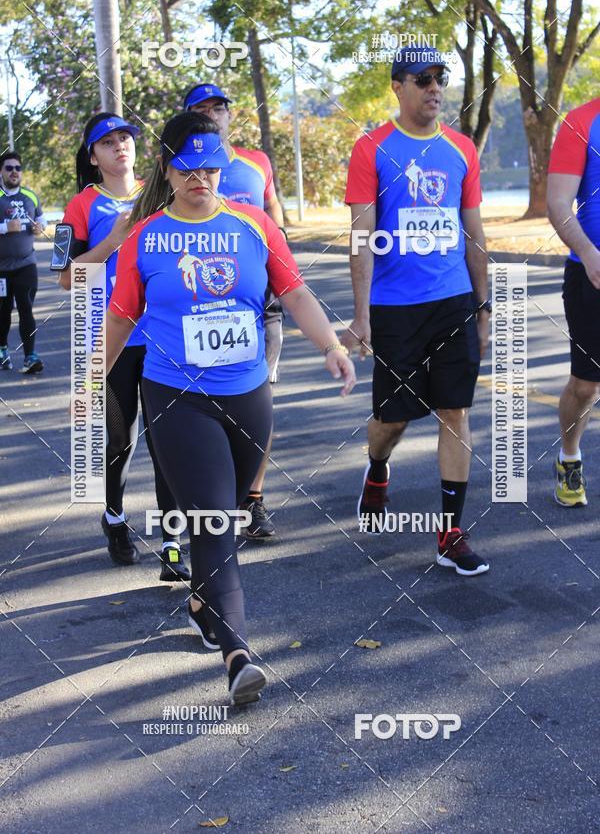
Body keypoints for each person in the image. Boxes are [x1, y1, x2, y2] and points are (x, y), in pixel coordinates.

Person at [106, 111, 355, 704]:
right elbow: (121, 316)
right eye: (188, 168)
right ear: (166, 170)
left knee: (230, 514)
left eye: (210, 166)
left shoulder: (256, 225)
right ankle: (238, 652)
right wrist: (91, 379)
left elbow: (292, 290)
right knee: (213, 515)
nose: (201, 178)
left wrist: (331, 345)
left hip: (248, 394)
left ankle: (200, 596)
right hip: (176, 397)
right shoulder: (146, 238)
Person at [341, 46, 490, 576]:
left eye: (440, 78)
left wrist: (484, 305)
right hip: (395, 306)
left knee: (455, 411)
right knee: (394, 418)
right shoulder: (372, 149)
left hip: (451, 302)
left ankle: (450, 532)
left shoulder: (462, 149)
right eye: (422, 79)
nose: (434, 87)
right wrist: (361, 316)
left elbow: (473, 232)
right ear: (398, 86)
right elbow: (361, 236)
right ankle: (377, 467)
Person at [57, 113, 190, 581]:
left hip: (162, 337)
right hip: (108, 339)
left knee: (167, 441)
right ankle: (114, 517)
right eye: (107, 142)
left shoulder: (162, 193)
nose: (120, 147)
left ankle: (172, 542)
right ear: (93, 157)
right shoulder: (79, 206)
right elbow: (65, 279)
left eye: (126, 139)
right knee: (117, 440)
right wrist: (112, 242)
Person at [183, 82, 285, 540]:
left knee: (260, 400)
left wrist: (282, 278)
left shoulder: (256, 163)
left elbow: (273, 215)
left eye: (218, 108)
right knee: (207, 402)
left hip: (261, 297)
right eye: (201, 109)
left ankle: (254, 500)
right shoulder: (178, 168)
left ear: (229, 114)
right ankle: (212, 498)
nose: (213, 115)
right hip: (205, 298)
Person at [547, 96, 600, 507]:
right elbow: (558, 203)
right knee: (585, 385)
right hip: (592, 273)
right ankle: (569, 456)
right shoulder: (581, 121)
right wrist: (588, 252)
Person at [0, 151, 46, 373]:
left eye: (17, 168)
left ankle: (30, 356)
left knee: (26, 308)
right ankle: (2, 350)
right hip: (1, 269)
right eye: (9, 168)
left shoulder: (30, 196)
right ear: (1, 172)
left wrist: (40, 227)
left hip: (26, 264)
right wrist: (5, 228)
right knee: (3, 310)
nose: (14, 172)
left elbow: (41, 219)